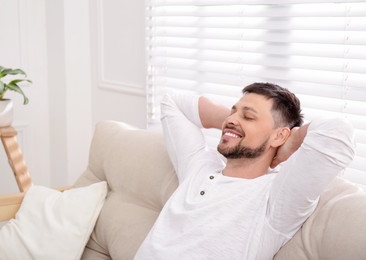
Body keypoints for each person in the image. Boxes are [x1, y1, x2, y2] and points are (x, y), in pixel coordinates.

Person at [134, 82, 355, 260]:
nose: (231, 119)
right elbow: (172, 102)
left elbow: (338, 133)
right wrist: (235, 124)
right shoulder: (199, 166)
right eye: (233, 111)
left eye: (249, 116)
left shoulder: (275, 199)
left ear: (279, 135)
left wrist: (292, 139)